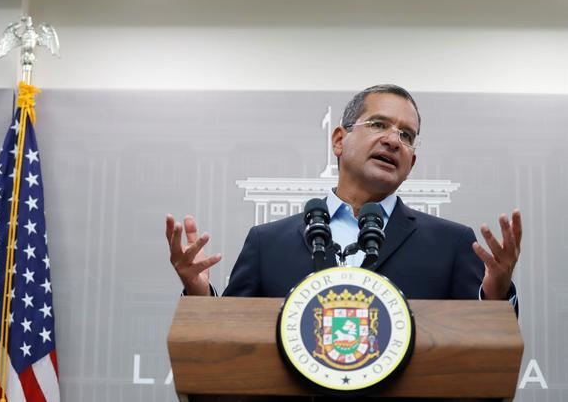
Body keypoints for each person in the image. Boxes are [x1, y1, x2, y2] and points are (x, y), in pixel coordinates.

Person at [165, 84, 521, 302]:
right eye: (379, 125)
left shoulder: (451, 243)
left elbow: (482, 342)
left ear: (412, 162)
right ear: (339, 140)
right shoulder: (267, 242)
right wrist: (198, 293)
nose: (393, 140)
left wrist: (495, 292)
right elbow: (229, 340)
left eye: (407, 135)